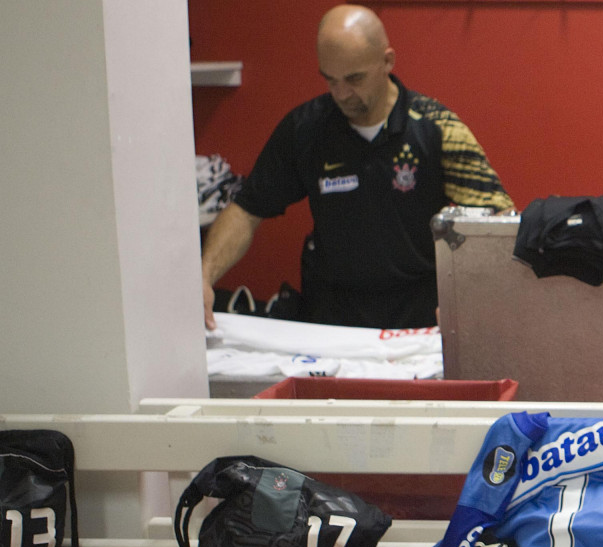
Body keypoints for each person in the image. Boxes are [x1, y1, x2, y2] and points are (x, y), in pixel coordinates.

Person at [201, 4, 512, 331]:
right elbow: (247, 208)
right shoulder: (307, 129)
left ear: (387, 61)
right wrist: (204, 276)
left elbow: (498, 226)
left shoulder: (437, 129)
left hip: (420, 318)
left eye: (354, 79)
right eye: (330, 80)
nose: (342, 94)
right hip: (332, 320)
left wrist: (476, 300)